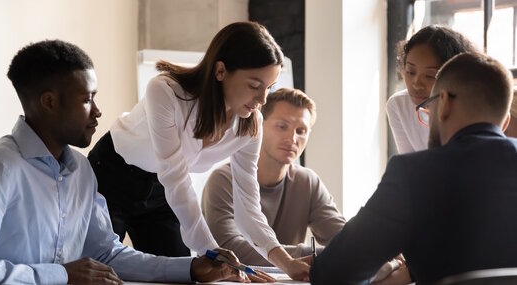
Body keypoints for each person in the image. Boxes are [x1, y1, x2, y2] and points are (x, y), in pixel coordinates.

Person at [0, 39, 251, 284]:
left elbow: (106, 254)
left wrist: (191, 268)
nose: (98, 112)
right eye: (87, 99)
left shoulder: (81, 171)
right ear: (49, 102)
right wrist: (61, 275)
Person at [87, 21, 310, 280]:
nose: (262, 100)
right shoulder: (166, 91)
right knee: (100, 272)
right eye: (254, 85)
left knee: (183, 276)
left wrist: (287, 262)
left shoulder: (250, 125)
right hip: (113, 175)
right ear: (220, 71)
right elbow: (175, 176)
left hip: (161, 192)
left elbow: (248, 208)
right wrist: (213, 253)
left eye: (269, 88)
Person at [310, 52, 517, 285]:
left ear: (444, 103)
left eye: (428, 106)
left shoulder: (414, 174)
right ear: (505, 121)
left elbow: (332, 274)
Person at [201, 88, 346, 266]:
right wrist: (313, 255)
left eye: (301, 130)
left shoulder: (307, 182)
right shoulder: (223, 180)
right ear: (259, 125)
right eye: (282, 126)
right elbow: (229, 248)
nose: (293, 138)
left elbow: (344, 238)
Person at [387, 25, 477, 153]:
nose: (417, 84)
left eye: (430, 75)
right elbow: (411, 165)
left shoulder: (471, 109)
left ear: (455, 75)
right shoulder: (399, 105)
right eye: (411, 71)